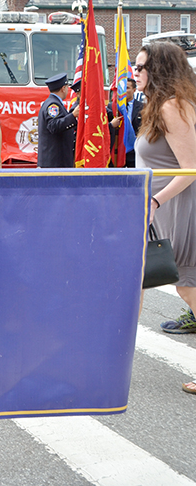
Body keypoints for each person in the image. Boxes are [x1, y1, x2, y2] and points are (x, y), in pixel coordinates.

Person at [134, 43, 196, 380]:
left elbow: (190, 167)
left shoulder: (173, 106)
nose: (135, 72)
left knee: (187, 285)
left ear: (158, 70)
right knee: (136, 280)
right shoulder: (158, 105)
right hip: (157, 209)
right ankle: (116, 358)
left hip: (177, 207)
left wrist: (156, 201)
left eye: (141, 67)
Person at [37, 72, 79, 168]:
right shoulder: (53, 105)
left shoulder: (53, 103)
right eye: (67, 87)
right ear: (63, 88)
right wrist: (73, 116)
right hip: (54, 163)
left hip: (56, 162)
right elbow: (54, 126)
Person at [125, 78, 144, 168]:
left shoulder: (143, 107)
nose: (124, 91)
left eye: (127, 88)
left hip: (135, 150)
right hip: (119, 150)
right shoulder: (113, 107)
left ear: (134, 90)